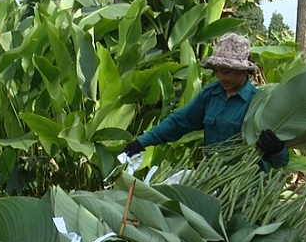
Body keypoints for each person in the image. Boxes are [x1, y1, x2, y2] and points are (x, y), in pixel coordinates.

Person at [123, 33, 289, 171]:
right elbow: (180, 121)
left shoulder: (258, 102)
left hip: (245, 187)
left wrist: (278, 150)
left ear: (243, 69)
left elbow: (281, 162)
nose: (220, 77)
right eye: (217, 71)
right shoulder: (211, 95)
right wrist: (142, 141)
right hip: (211, 178)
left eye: (226, 71)